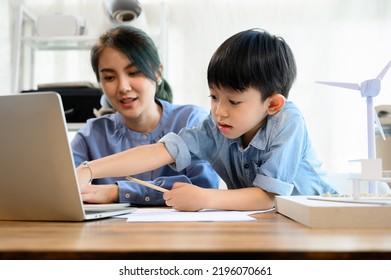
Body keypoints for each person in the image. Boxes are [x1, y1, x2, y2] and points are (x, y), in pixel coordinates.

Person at [76, 28, 338, 211]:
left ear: (272, 104)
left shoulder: (287, 121)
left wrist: (204, 198)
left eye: (233, 101)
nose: (219, 111)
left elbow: (268, 198)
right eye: (213, 97)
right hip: (271, 224)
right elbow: (159, 151)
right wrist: (89, 170)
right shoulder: (216, 127)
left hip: (322, 218)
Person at [71, 25, 220, 206]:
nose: (123, 87)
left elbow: (202, 188)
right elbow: (65, 189)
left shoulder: (191, 121)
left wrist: (117, 192)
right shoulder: (90, 135)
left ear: (158, 73)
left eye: (134, 73)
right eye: (110, 77)